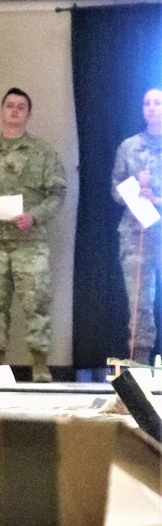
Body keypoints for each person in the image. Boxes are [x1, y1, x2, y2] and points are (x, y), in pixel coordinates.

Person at [0, 89, 67, 382]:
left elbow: (58, 192)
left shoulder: (43, 153)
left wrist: (34, 216)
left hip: (30, 243)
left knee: (37, 304)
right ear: (1, 112)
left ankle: (39, 366)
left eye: (21, 107)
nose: (14, 111)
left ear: (28, 114)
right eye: (10, 106)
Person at [111, 87, 162, 364]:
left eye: (157, 103)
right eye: (147, 103)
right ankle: (141, 360)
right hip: (135, 233)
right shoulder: (129, 147)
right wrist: (135, 195)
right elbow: (115, 188)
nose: (152, 107)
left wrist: (157, 198)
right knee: (139, 302)